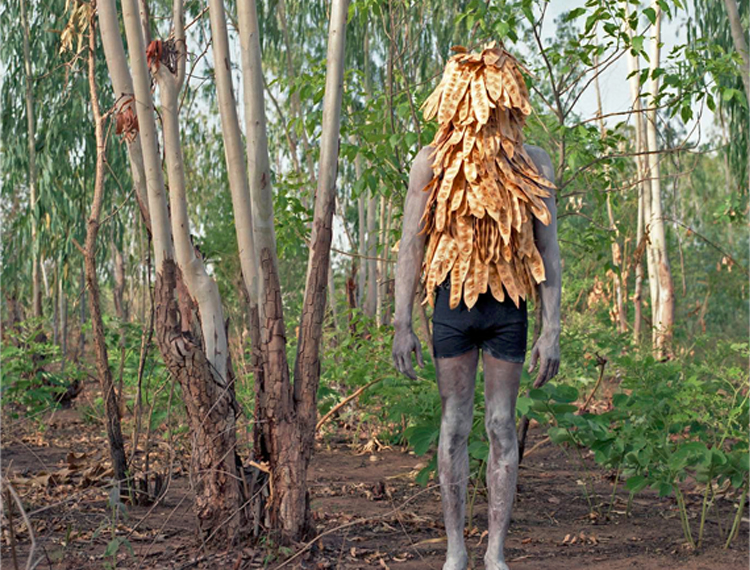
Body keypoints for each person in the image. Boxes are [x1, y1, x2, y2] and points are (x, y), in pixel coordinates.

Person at [392, 42, 561, 570]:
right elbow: (410, 246)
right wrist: (401, 322)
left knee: (502, 425)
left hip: (508, 307)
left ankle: (495, 553)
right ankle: (455, 551)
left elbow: (548, 249)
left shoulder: (533, 162)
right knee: (454, 426)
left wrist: (552, 328)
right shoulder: (431, 163)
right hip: (452, 307)